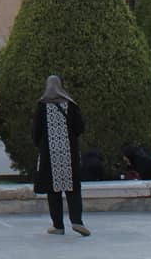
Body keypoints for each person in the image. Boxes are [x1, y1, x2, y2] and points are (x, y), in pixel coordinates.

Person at [33, 74, 90, 237]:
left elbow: (36, 133)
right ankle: (77, 221)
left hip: (49, 155)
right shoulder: (70, 105)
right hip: (69, 153)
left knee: (53, 190)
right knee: (73, 188)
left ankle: (58, 226)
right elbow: (80, 128)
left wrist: (42, 145)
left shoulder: (42, 106)